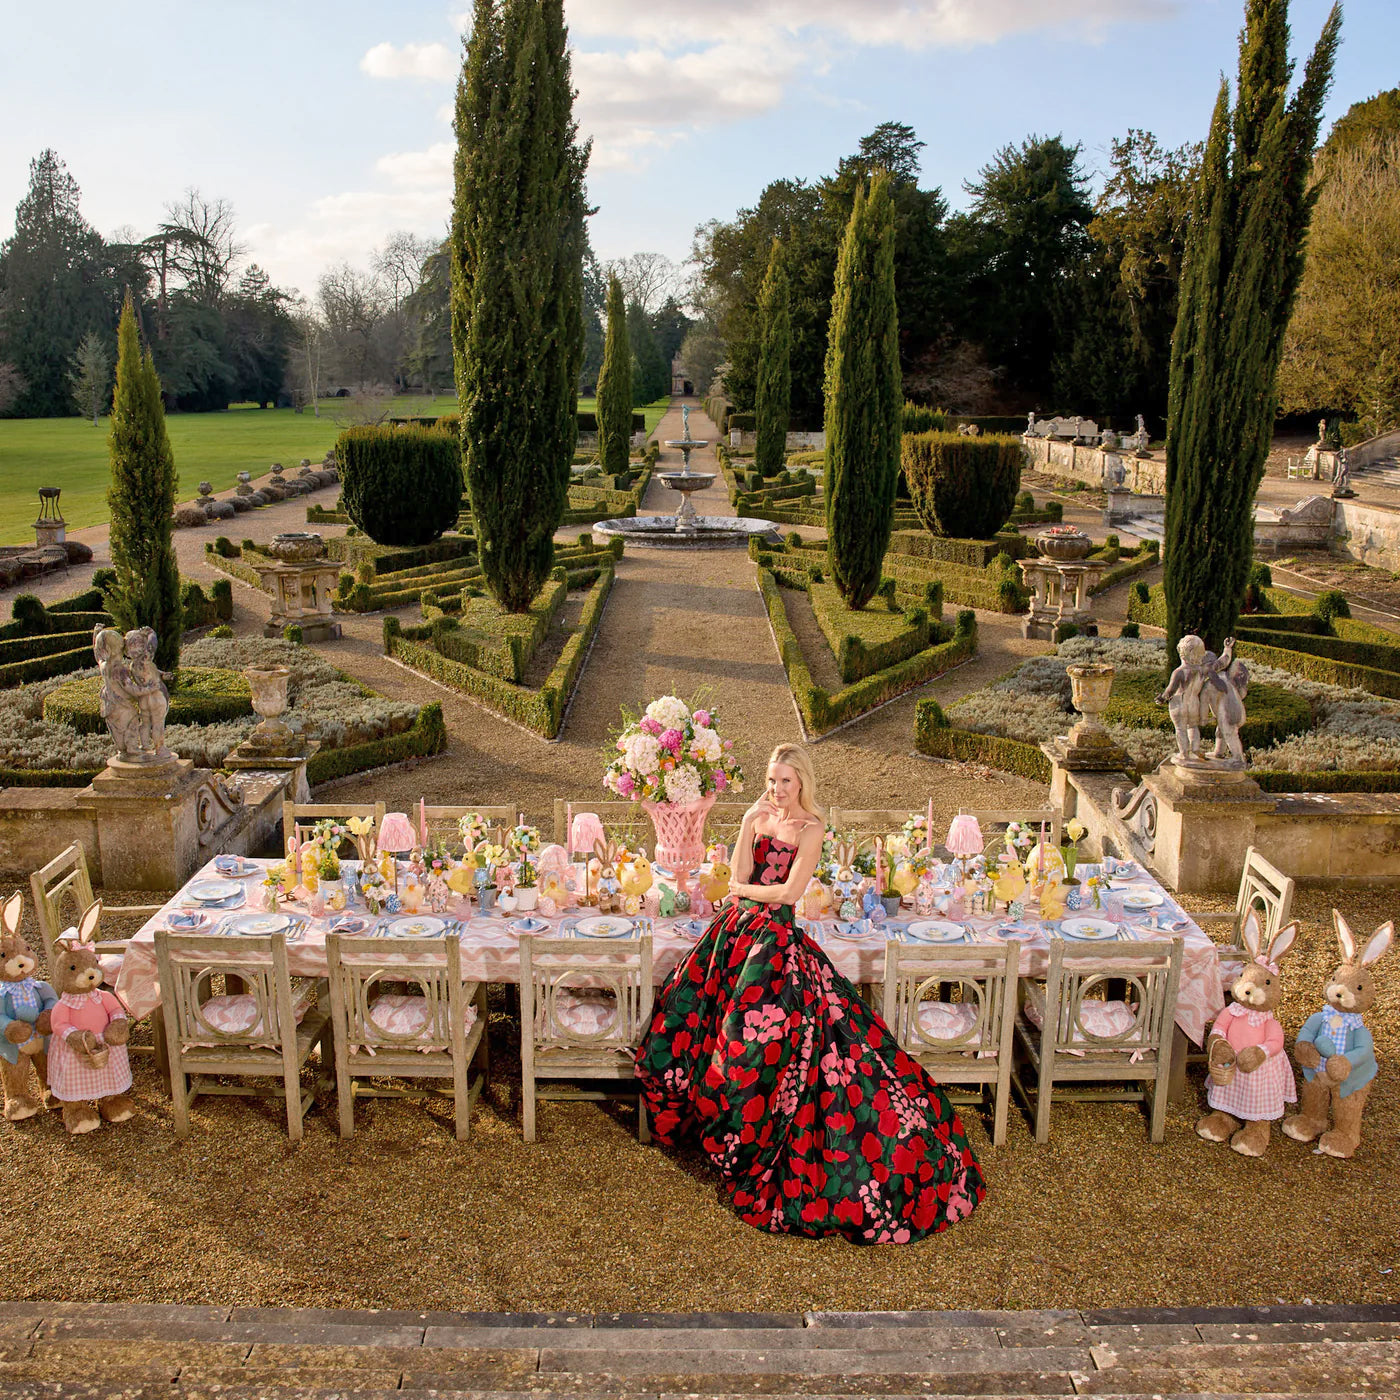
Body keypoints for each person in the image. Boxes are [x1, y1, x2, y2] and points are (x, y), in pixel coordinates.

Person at [635, 743, 986, 1243]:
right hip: (735, 931)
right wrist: (744, 829)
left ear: (802, 783)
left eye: (785, 781)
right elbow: (736, 873)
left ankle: (757, 1134)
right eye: (771, 780)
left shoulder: (811, 828)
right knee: (695, 1016)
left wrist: (744, 891)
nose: (777, 789)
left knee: (760, 1039)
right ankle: (714, 1124)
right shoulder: (758, 819)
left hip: (774, 937)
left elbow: (788, 894)